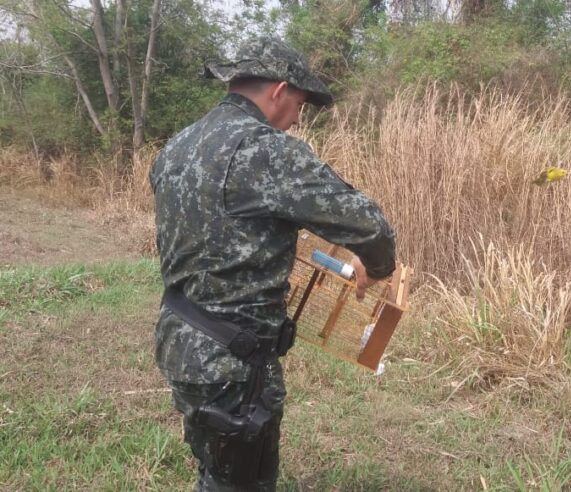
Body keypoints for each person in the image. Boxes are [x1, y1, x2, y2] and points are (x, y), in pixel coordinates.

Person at [149, 36, 396, 491]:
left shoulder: (178, 146)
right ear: (279, 90)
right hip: (233, 364)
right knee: (241, 481)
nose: (300, 117)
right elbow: (370, 226)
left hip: (180, 339)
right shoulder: (265, 151)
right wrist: (377, 268)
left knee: (214, 465)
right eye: (300, 103)